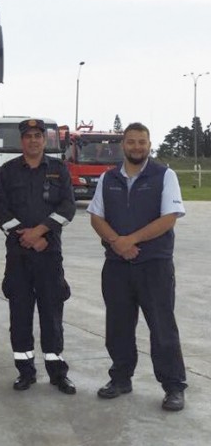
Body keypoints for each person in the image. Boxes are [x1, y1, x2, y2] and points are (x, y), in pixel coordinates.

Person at [87, 122, 187, 411]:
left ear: (149, 144)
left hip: (154, 266)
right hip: (116, 266)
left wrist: (131, 239)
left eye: (142, 142)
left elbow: (169, 217)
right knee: (117, 326)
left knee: (162, 327)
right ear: (123, 145)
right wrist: (116, 242)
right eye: (131, 142)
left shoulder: (164, 175)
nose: (136, 147)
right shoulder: (108, 179)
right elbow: (96, 217)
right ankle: (120, 378)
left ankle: (173, 387)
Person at [0, 118, 77, 394]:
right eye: (28, 136)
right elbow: (0, 210)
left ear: (45, 140)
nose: (33, 140)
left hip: (49, 253)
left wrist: (40, 232)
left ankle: (57, 372)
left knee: (52, 313)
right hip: (18, 255)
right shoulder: (8, 171)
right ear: (22, 141)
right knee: (20, 313)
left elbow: (67, 208)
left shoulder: (58, 169)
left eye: (37, 136)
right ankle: (25, 371)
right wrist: (25, 236)